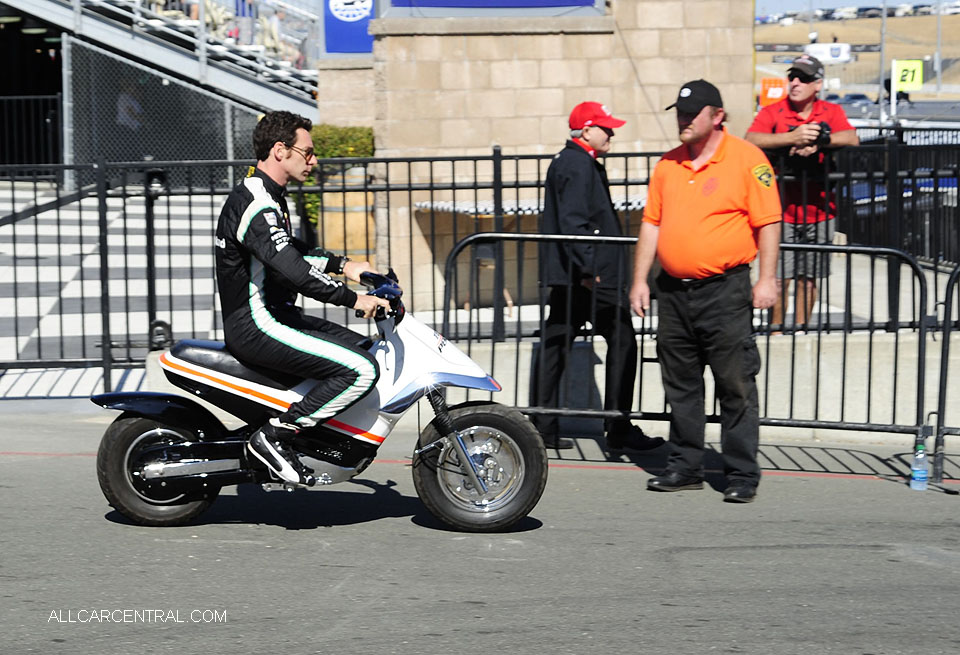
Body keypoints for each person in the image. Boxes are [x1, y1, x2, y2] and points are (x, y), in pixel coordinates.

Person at [215, 111, 389, 485]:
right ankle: (277, 434)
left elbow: (289, 252)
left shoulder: (266, 195)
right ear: (281, 150)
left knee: (365, 348)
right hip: (258, 325)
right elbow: (294, 271)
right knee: (361, 370)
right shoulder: (257, 203)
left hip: (276, 317)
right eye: (307, 152)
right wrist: (353, 299)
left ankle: (321, 441)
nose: (314, 160)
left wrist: (347, 265)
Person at [629, 80, 782, 502]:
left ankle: (740, 474)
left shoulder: (748, 160)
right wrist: (640, 280)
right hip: (674, 292)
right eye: (678, 111)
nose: (682, 119)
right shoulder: (668, 165)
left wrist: (766, 279)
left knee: (735, 384)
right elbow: (651, 225)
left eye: (691, 112)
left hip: (724, 289)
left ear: (717, 116)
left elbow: (769, 221)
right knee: (680, 383)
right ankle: (685, 466)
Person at [533, 101, 664, 452]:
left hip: (575, 275)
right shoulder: (577, 164)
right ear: (587, 130)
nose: (612, 134)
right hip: (589, 278)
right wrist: (590, 270)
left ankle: (542, 427)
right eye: (606, 128)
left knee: (556, 343)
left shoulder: (574, 161)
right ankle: (617, 429)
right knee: (621, 340)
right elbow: (575, 222)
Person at [745, 55, 859, 331]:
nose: (795, 83)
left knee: (809, 279)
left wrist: (820, 140)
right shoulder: (773, 112)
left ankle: (801, 330)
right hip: (779, 211)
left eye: (804, 78)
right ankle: (776, 331)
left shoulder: (830, 112)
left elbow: (852, 138)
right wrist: (792, 138)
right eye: (792, 77)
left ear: (817, 84)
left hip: (819, 211)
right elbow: (751, 139)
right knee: (779, 278)